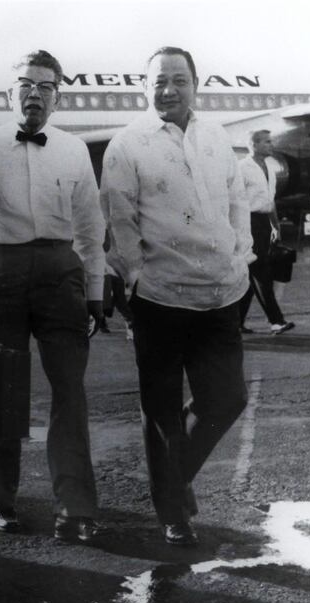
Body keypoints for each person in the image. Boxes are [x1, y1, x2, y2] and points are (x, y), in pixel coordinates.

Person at [101, 47, 253, 546]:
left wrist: (240, 258)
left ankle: (173, 481)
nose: (168, 89)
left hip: (220, 292)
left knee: (227, 398)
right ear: (146, 88)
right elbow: (119, 221)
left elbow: (237, 203)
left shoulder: (216, 138)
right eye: (159, 81)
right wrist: (137, 279)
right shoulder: (128, 144)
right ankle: (172, 512)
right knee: (162, 410)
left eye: (178, 80)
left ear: (195, 84)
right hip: (161, 297)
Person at [0, 50, 110, 543]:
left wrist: (94, 289)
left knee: (70, 394)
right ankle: (1, 503)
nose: (34, 94)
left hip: (60, 277)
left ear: (59, 96)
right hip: (3, 274)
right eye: (25, 85)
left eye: (45, 87)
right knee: (2, 390)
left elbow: (90, 226)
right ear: (9, 93)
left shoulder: (74, 150)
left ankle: (76, 506)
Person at [238, 130, 294, 335]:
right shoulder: (242, 168)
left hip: (263, 221)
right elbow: (235, 200)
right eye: (267, 142)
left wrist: (276, 226)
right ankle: (276, 321)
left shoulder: (269, 167)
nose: (272, 145)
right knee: (261, 271)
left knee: (252, 274)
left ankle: (236, 322)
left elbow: (270, 202)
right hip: (248, 222)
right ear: (254, 144)